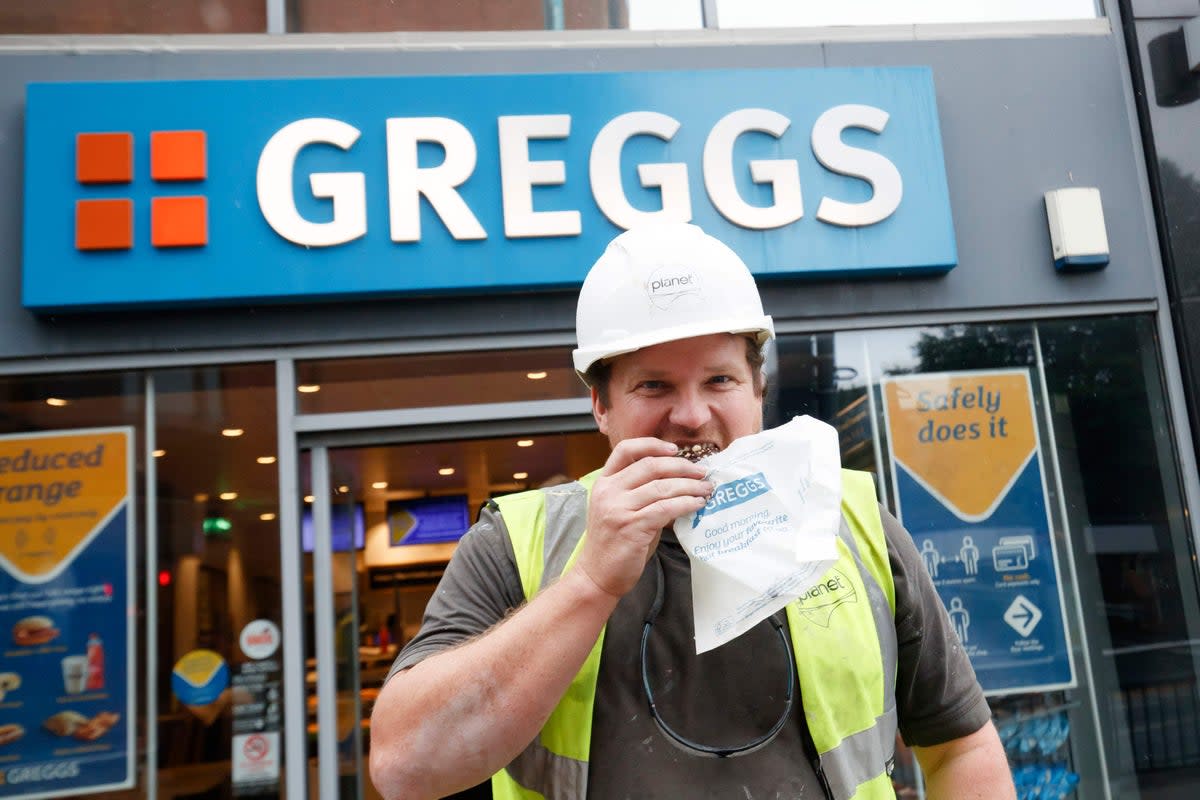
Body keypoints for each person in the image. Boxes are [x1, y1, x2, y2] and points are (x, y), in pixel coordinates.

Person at [369, 223, 1015, 799]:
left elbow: (962, 746)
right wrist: (591, 583)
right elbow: (405, 768)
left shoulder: (854, 523)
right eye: (654, 385)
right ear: (601, 406)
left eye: (719, 380)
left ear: (758, 389)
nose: (692, 415)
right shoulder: (519, 542)